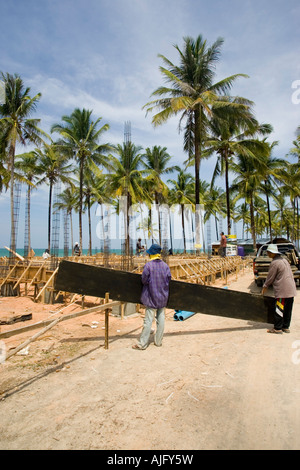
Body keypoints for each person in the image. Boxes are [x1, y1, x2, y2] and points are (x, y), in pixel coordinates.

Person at [132, 243, 171, 350]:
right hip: (163, 297)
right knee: (161, 319)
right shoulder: (165, 266)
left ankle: (142, 344)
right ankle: (158, 342)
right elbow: (168, 279)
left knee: (148, 321)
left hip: (151, 297)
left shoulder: (149, 266)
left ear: (152, 254)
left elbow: (144, 280)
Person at [262, 243, 297, 334]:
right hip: (291, 288)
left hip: (282, 290)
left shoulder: (275, 262)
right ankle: (286, 327)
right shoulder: (284, 260)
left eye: (269, 252)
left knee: (279, 309)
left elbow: (270, 277)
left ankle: (277, 328)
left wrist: (265, 287)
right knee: (288, 308)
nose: (268, 254)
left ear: (274, 253)